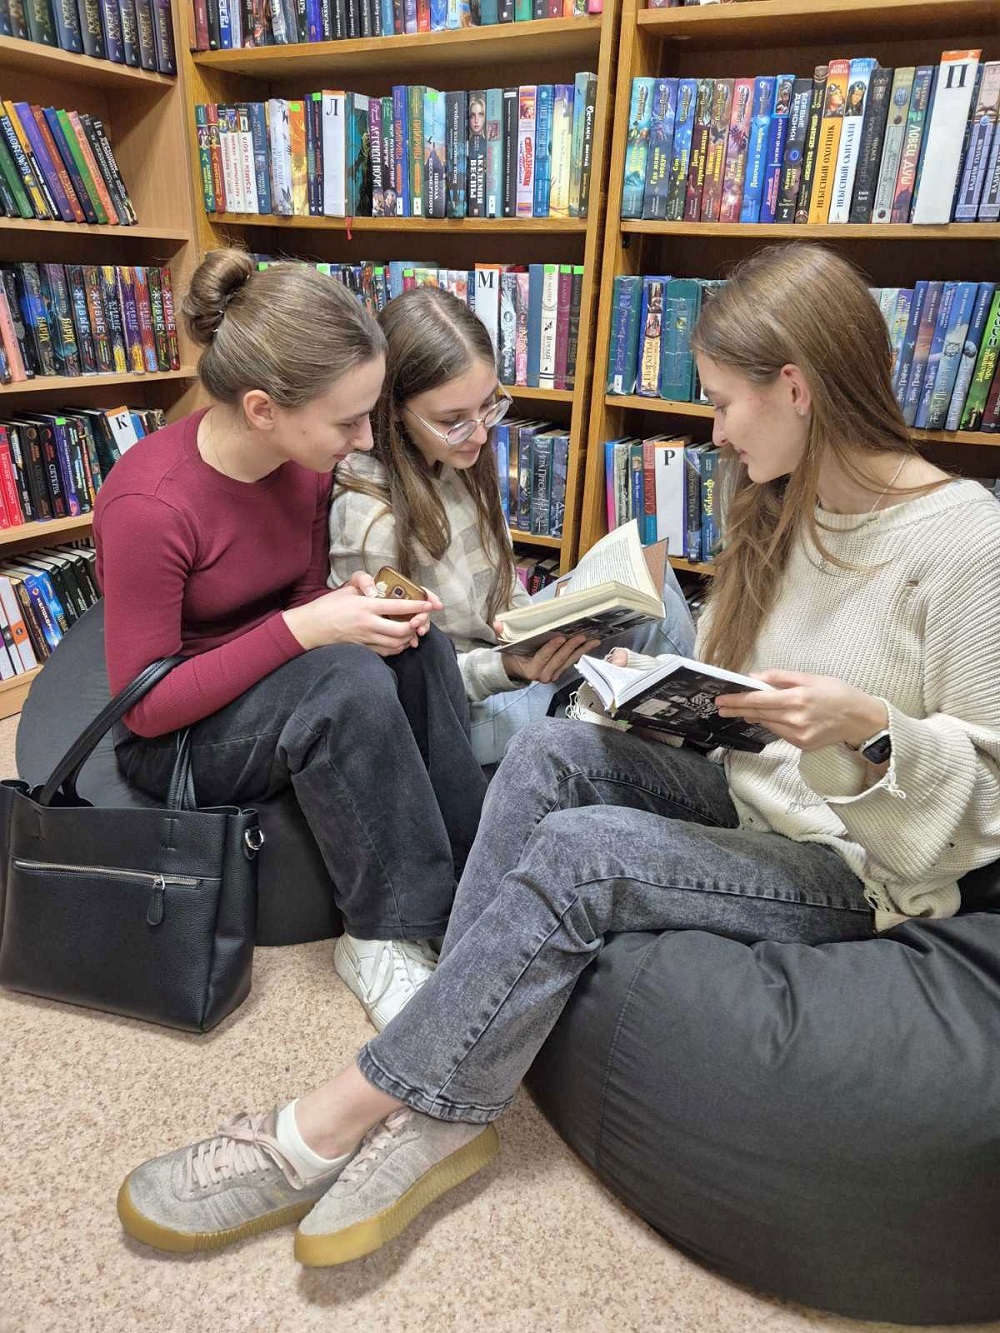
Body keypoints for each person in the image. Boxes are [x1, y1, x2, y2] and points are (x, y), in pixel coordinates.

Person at [117, 242, 1000, 1269]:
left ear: (795, 390)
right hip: (749, 786)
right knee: (548, 750)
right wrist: (655, 690)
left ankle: (341, 1116)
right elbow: (750, 697)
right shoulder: (783, 495)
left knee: (584, 851)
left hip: (853, 862)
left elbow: (985, 798)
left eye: (723, 403)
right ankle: (452, 1057)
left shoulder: (961, 542)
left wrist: (870, 732)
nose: (714, 431)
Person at [94, 249, 488, 1033]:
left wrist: (351, 607)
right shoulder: (150, 504)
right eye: (348, 421)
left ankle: (474, 888)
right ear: (263, 408)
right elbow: (144, 706)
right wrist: (307, 628)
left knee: (419, 643)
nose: (366, 437)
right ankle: (380, 934)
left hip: (267, 685)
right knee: (348, 682)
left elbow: (304, 596)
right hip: (176, 733)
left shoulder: (305, 465)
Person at [329, 284, 695, 766]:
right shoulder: (369, 518)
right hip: (460, 711)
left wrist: (548, 622)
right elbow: (402, 690)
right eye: (454, 419)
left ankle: (683, 741)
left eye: (488, 405)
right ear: (394, 410)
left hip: (504, 651)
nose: (480, 433)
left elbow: (502, 592)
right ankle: (690, 755)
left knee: (654, 585)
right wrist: (508, 665)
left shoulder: (452, 459)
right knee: (654, 624)